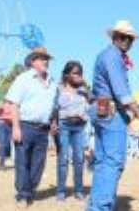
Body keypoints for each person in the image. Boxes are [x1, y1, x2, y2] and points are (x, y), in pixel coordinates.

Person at [87, 20, 139, 211]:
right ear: (114, 37)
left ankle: (95, 206)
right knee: (113, 162)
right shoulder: (113, 57)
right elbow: (122, 93)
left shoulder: (105, 55)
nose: (126, 41)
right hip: (111, 110)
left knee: (103, 162)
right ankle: (101, 207)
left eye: (129, 38)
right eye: (122, 37)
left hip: (101, 108)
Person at [4, 47, 58, 207]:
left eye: (46, 58)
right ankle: (22, 195)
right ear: (33, 61)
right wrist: (15, 127)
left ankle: (30, 190)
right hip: (25, 126)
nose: (45, 61)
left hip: (43, 128)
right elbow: (14, 103)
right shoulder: (23, 78)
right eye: (41, 58)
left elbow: (54, 106)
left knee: (38, 164)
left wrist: (54, 121)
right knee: (22, 162)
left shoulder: (52, 81)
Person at [51, 61, 90, 201]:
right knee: (63, 159)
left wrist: (85, 85)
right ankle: (61, 192)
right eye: (75, 73)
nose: (78, 75)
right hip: (64, 125)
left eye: (80, 73)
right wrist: (53, 123)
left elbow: (93, 101)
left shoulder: (83, 90)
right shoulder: (58, 88)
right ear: (67, 74)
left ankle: (78, 191)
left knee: (79, 159)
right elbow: (54, 108)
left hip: (80, 127)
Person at [0, 102, 13, 170]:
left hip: (10, 124)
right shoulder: (1, 103)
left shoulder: (14, 103)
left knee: (8, 144)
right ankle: (1, 163)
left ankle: (5, 161)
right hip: (2, 124)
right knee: (2, 144)